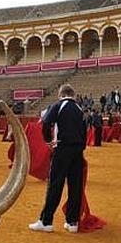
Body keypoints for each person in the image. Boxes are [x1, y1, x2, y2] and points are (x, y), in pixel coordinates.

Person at [29, 84, 86, 234]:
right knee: (75, 186)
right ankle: (72, 222)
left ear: (60, 95)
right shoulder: (79, 109)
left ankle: (46, 221)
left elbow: (46, 123)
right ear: (73, 95)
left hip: (62, 149)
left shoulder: (58, 105)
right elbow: (84, 131)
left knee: (55, 184)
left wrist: (48, 141)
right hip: (78, 151)